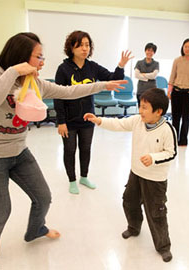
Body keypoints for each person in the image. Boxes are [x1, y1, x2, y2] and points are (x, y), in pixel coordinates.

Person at [0, 32, 126, 268]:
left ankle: (35, 230)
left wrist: (104, 85)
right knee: (0, 210)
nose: (43, 62)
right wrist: (15, 71)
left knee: (43, 197)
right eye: (38, 56)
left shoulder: (37, 84)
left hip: (19, 151)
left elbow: (69, 92)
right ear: (22, 58)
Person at [83, 88, 176, 262]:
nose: (140, 111)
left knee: (156, 212)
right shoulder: (137, 121)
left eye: (145, 108)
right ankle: (134, 227)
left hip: (155, 180)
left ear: (158, 112)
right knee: (129, 201)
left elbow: (171, 153)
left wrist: (153, 158)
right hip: (136, 173)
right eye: (140, 106)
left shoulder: (167, 130)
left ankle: (163, 246)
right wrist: (98, 120)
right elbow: (118, 124)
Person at [53, 30, 129, 194]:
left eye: (87, 45)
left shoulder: (92, 67)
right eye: (80, 45)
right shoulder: (63, 69)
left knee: (86, 148)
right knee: (70, 150)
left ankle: (84, 177)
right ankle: (72, 180)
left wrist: (121, 65)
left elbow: (111, 78)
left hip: (88, 117)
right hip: (69, 119)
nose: (84, 48)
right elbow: (57, 97)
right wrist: (61, 121)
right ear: (71, 48)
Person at [168, 38, 189, 147]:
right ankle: (174, 139)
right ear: (182, 47)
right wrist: (169, 91)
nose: (187, 49)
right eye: (185, 46)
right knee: (175, 117)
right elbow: (172, 76)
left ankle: (183, 140)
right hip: (176, 92)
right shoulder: (177, 60)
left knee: (186, 118)